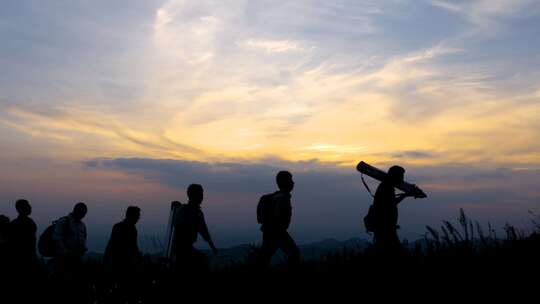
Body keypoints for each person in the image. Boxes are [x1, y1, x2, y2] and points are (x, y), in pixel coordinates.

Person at [257, 171, 301, 268]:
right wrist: (279, 229)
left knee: (265, 256)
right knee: (294, 253)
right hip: (277, 231)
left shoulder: (277, 196)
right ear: (285, 182)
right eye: (290, 180)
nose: (293, 183)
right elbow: (277, 216)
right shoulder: (282, 198)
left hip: (271, 231)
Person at [171, 184, 218, 273]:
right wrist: (213, 247)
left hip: (182, 249)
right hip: (182, 251)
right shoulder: (190, 212)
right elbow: (203, 231)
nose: (202, 197)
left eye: (202, 194)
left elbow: (204, 232)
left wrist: (213, 247)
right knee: (203, 261)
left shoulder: (190, 211)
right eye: (200, 194)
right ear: (193, 196)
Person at [51, 202, 88, 303]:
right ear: (76, 210)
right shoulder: (64, 221)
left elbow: (83, 239)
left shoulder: (82, 225)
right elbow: (56, 238)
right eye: (82, 212)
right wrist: (65, 253)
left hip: (76, 260)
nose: (83, 215)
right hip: (63, 260)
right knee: (63, 285)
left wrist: (83, 250)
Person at [372, 165, 413, 256]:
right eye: (401, 176)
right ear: (395, 175)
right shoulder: (387, 187)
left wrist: (405, 195)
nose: (402, 178)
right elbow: (390, 204)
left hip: (386, 228)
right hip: (385, 228)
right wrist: (405, 195)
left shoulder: (386, 185)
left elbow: (389, 203)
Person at [104, 206, 142, 303]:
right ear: (131, 216)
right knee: (120, 290)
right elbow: (112, 245)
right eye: (137, 216)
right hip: (119, 264)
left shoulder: (132, 229)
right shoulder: (119, 227)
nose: (139, 218)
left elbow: (134, 246)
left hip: (128, 265)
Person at [8, 199, 38, 272]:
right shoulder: (17, 224)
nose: (30, 207)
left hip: (28, 256)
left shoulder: (16, 223)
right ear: (21, 209)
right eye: (28, 206)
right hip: (23, 258)